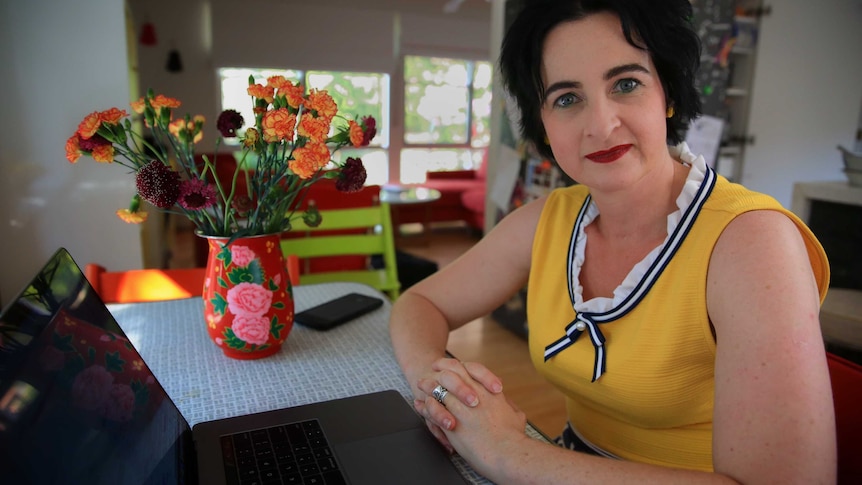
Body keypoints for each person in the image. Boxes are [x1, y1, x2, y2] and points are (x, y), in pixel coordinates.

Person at [389, 0, 836, 483]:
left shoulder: (752, 242)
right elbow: (420, 302)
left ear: (666, 92)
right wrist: (438, 389)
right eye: (566, 98)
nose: (600, 125)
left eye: (626, 84)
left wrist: (506, 452)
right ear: (542, 124)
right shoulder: (547, 221)